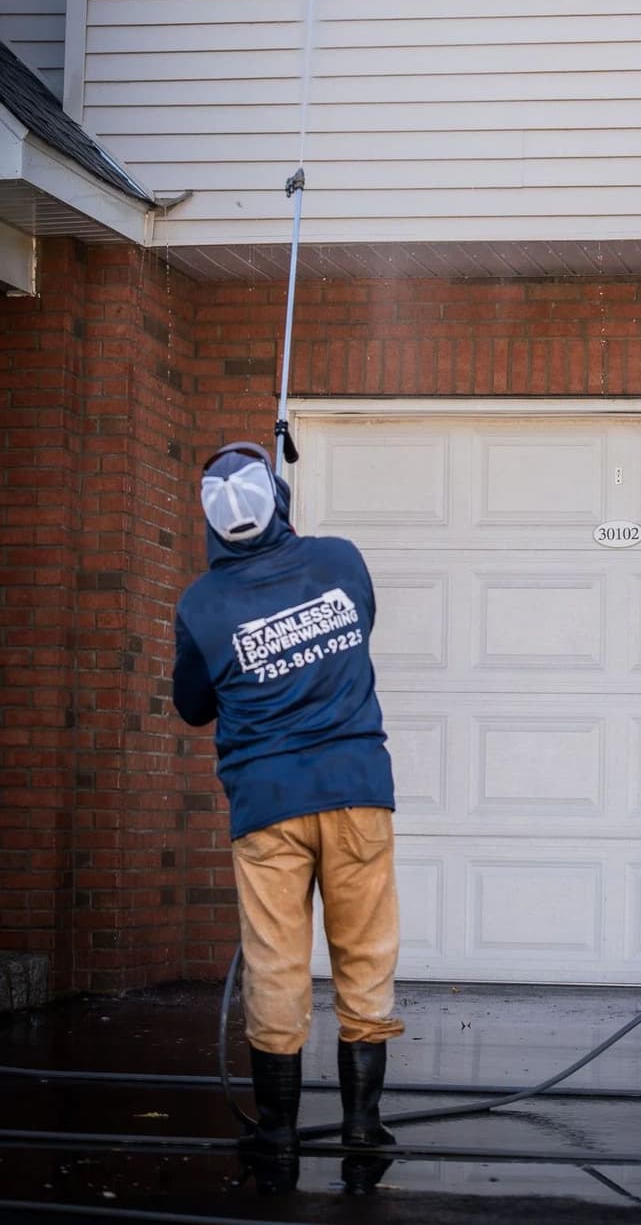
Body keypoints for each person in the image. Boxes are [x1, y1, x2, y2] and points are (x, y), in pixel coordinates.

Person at [172, 440, 403, 1195]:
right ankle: (363, 1127)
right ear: (278, 502)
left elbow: (193, 706)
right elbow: (359, 627)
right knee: (364, 955)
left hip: (267, 807)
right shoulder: (340, 561)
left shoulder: (202, 605)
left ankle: (276, 1136)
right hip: (356, 788)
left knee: (275, 964)